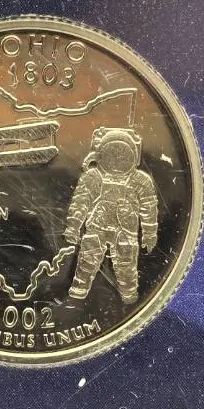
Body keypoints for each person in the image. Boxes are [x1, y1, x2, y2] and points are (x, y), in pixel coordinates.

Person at [63, 127, 158, 304]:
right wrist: (73, 226)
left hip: (125, 230)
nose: (117, 160)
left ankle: (129, 294)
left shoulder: (140, 180)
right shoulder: (93, 177)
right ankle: (79, 289)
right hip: (97, 227)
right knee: (88, 258)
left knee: (126, 263)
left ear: (133, 157)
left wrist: (150, 232)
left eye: (122, 155)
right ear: (100, 155)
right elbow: (80, 203)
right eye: (112, 154)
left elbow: (149, 207)